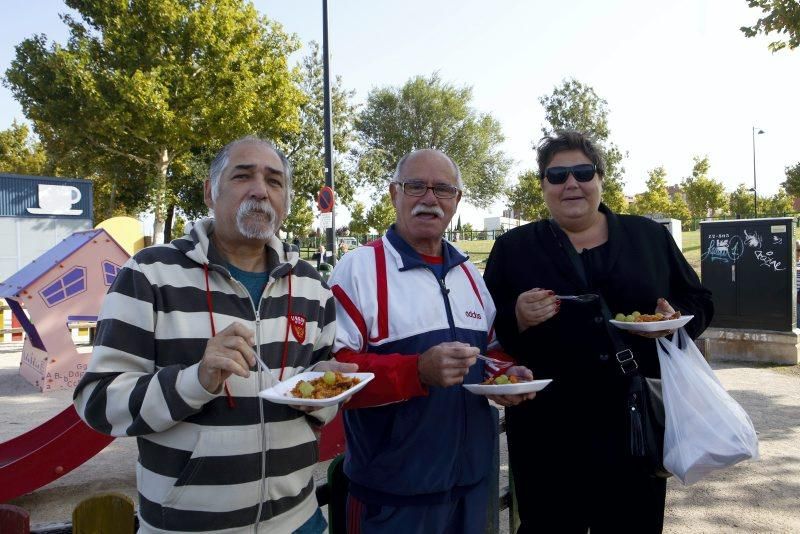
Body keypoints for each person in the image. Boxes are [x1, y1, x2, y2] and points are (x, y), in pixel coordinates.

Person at [74, 136, 355, 534]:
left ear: (286, 201)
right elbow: (98, 403)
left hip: (301, 519)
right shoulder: (149, 275)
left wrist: (323, 396)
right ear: (210, 191)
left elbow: (324, 405)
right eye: (243, 176)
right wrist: (196, 380)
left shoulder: (311, 286)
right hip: (189, 527)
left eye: (275, 182)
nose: (260, 190)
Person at [483, 130, 714, 534]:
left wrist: (672, 320)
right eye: (557, 176)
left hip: (632, 425)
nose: (571, 183)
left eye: (583, 172)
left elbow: (701, 303)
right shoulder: (512, 248)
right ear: (543, 186)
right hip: (546, 432)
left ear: (600, 179)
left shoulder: (649, 238)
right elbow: (489, 330)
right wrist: (516, 316)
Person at [328, 149, 535, 534]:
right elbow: (332, 378)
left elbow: (490, 352)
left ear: (456, 201)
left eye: (442, 188)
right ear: (394, 194)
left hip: (473, 488)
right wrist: (417, 370)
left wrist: (509, 375)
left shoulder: (469, 273)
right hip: (389, 498)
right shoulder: (357, 270)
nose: (429, 198)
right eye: (415, 186)